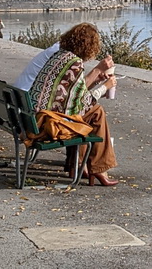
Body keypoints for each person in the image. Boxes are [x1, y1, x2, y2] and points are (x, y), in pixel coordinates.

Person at [27, 23, 119, 186]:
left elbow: (72, 92)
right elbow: (79, 105)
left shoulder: (60, 56)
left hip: (34, 118)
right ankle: (98, 168)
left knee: (86, 114)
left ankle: (77, 164)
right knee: (95, 112)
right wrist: (105, 87)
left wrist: (95, 79)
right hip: (45, 125)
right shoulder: (75, 63)